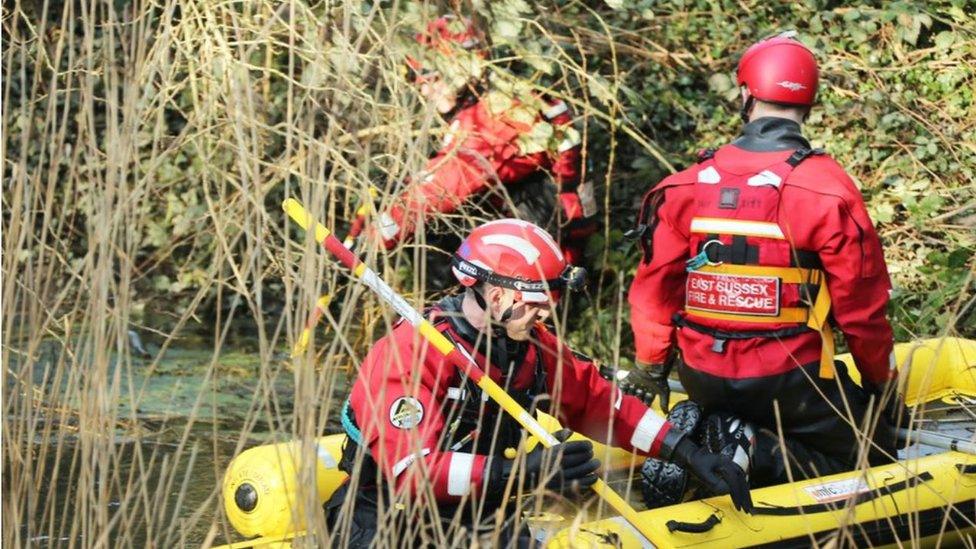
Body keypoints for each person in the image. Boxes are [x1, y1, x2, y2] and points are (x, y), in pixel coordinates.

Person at [325, 219, 752, 546]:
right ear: (497, 297)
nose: (546, 318)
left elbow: (600, 402)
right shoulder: (412, 353)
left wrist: (689, 453)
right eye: (538, 306)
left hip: (478, 518)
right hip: (386, 521)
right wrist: (526, 472)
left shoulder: (528, 346)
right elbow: (413, 471)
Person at [625, 33, 903, 503]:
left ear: (746, 95)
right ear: (810, 103)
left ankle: (715, 431)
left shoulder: (685, 184)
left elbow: (654, 291)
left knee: (741, 407)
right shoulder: (826, 187)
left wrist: (650, 369)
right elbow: (862, 312)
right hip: (790, 380)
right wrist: (880, 386)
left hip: (701, 373)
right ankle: (753, 447)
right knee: (877, 453)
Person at [359, 15, 596, 284]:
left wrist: (372, 240)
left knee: (436, 234)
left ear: (459, 69)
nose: (424, 91)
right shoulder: (511, 93)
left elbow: (440, 189)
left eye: (430, 78)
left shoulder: (491, 118)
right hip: (552, 240)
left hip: (535, 261)